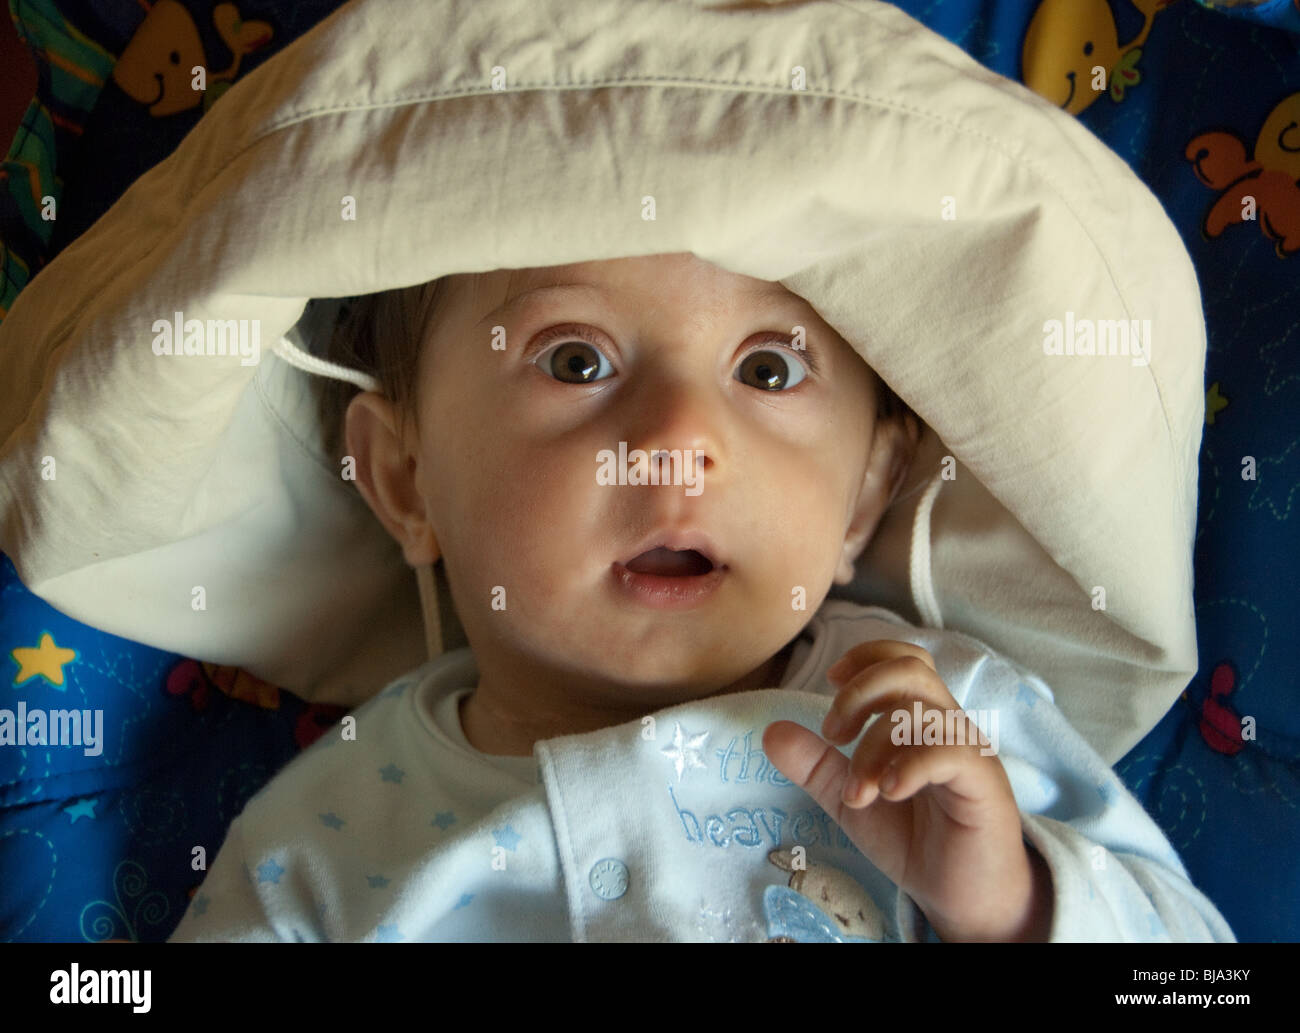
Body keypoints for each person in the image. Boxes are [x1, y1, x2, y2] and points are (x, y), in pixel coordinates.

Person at [166, 253, 1235, 943]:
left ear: (864, 492)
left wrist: (1009, 905)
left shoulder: (942, 722)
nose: (679, 439)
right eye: (576, 359)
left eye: (768, 371)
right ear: (406, 480)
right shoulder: (324, 832)